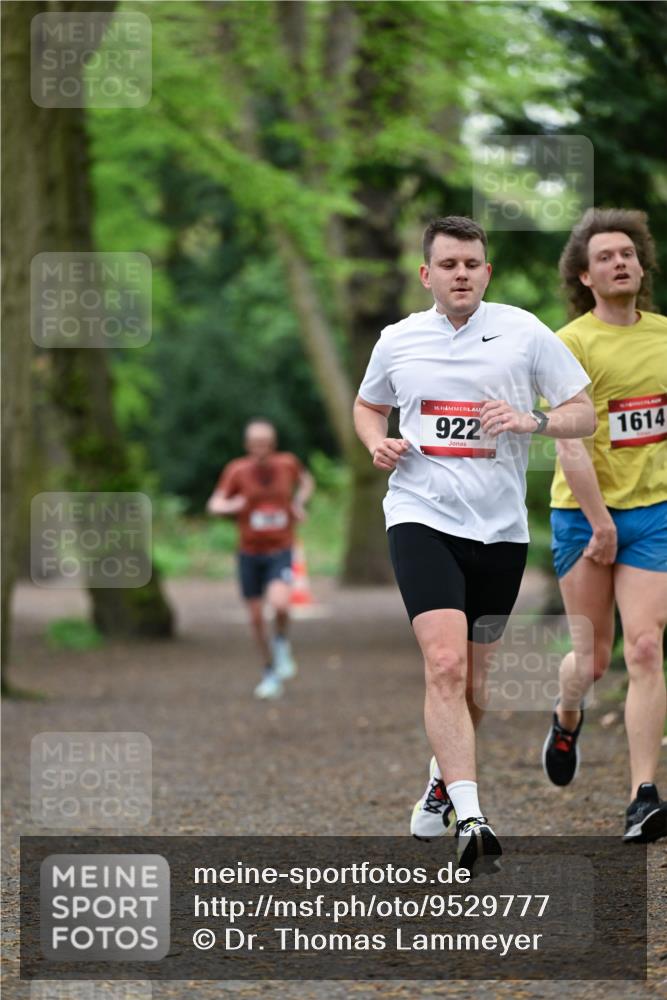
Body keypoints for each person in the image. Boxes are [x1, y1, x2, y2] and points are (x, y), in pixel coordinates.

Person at [353, 216, 595, 872]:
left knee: (476, 679)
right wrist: (377, 441)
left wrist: (531, 420)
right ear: (426, 274)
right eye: (448, 264)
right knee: (443, 666)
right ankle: (470, 814)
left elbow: (584, 410)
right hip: (419, 515)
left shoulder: (523, 333)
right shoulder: (398, 340)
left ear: (486, 272)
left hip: (498, 531)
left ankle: (440, 780)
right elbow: (368, 404)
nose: (461, 274)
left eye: (472, 264)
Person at [542, 208, 667, 843]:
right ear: (585, 276)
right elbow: (569, 444)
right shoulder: (571, 343)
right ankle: (567, 719)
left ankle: (644, 794)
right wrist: (599, 523)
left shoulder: (666, 336)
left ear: (641, 264)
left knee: (645, 646)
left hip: (654, 513)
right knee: (591, 662)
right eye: (604, 257)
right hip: (583, 513)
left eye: (627, 253)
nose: (619, 262)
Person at [206, 419, 314, 699]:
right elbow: (214, 504)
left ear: (273, 444)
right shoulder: (237, 471)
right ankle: (269, 671)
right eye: (254, 445)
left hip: (280, 549)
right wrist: (232, 505)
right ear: (246, 446)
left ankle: (281, 643)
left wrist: (298, 502)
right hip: (249, 553)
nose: (260, 450)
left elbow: (306, 481)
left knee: (280, 605)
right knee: (255, 617)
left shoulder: (287, 464)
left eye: (265, 444)